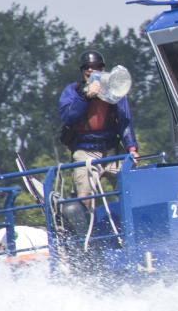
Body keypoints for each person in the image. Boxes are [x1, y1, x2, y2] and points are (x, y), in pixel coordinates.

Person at [58, 51, 138, 206]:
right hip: (85, 150)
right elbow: (68, 117)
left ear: (103, 69)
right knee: (84, 197)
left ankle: (134, 223)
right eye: (87, 67)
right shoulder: (73, 91)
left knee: (131, 189)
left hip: (111, 148)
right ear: (82, 71)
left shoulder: (115, 90)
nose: (91, 70)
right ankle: (85, 226)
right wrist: (85, 97)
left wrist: (131, 147)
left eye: (96, 67)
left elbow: (124, 121)